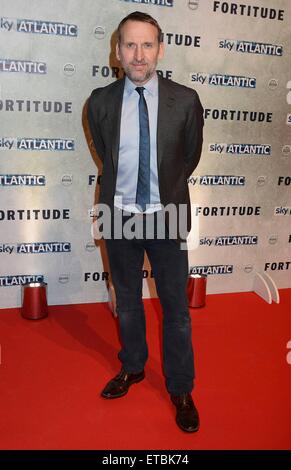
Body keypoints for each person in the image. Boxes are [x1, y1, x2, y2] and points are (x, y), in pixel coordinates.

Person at [87, 11, 204, 433]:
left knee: (176, 310)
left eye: (147, 44)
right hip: (118, 214)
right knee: (129, 301)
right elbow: (106, 155)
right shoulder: (99, 102)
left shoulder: (185, 100)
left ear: (161, 49)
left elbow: (187, 159)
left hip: (166, 214)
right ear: (117, 51)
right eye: (130, 45)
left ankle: (181, 387)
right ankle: (133, 367)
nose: (139, 55)